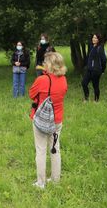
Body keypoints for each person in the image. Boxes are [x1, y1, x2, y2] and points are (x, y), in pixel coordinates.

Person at [29, 52, 68, 189]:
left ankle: (41, 182)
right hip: (57, 120)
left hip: (41, 120)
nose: (43, 64)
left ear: (49, 65)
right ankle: (55, 179)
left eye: (45, 62)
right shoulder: (63, 79)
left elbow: (31, 94)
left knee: (40, 150)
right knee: (55, 149)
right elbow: (63, 92)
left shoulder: (42, 80)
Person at [81, 33, 107, 102]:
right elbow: (88, 56)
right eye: (93, 37)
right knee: (84, 83)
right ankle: (86, 98)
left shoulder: (100, 48)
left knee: (95, 85)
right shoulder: (91, 46)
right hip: (89, 69)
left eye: (96, 38)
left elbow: (104, 60)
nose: (94, 39)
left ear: (99, 39)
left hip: (96, 70)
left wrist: (103, 70)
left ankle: (96, 101)